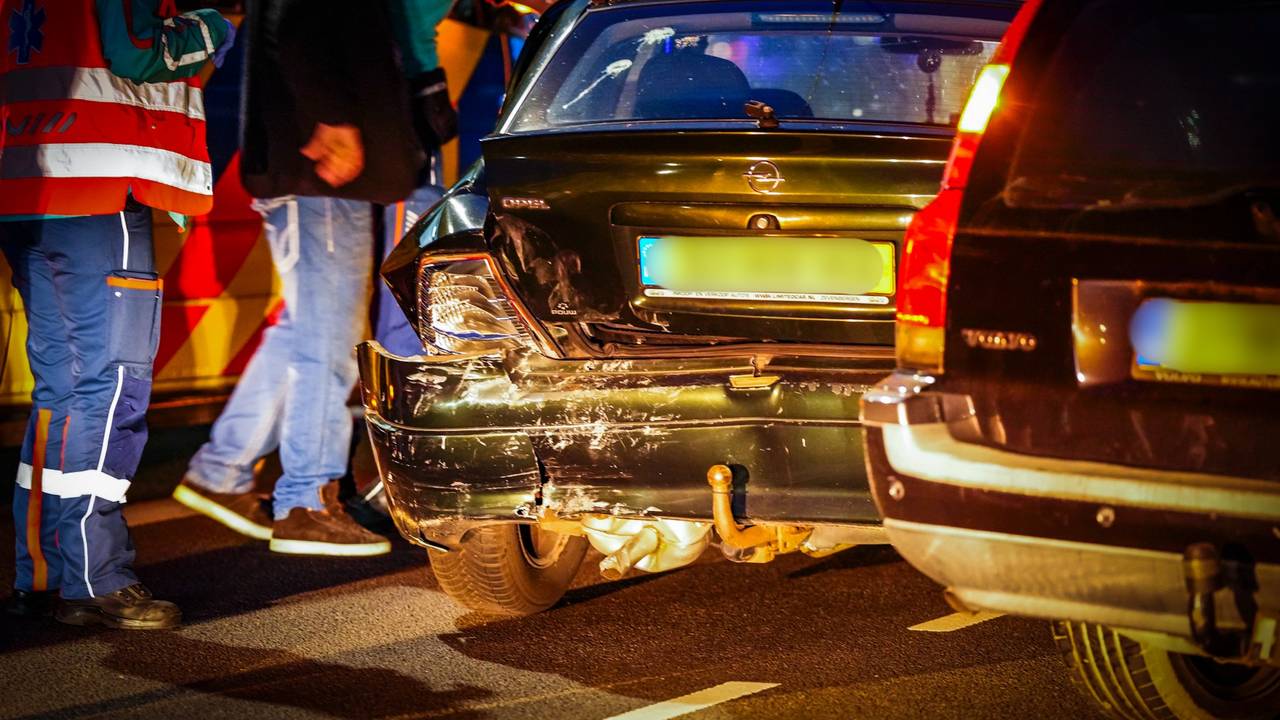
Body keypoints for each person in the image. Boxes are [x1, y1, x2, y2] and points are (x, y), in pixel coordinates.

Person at [172, 0, 457, 556]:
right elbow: (302, 30)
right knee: (328, 339)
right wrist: (334, 121)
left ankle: (221, 470)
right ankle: (306, 500)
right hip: (321, 175)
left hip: (324, 175)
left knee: (306, 331)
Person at [0, 0, 233, 629]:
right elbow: (137, 50)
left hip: (25, 184)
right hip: (100, 183)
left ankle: (42, 573)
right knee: (111, 388)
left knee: (62, 390)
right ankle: (94, 577)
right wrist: (217, 25)